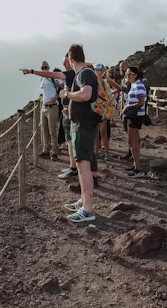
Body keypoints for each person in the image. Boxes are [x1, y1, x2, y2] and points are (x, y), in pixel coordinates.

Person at [60, 44, 99, 222]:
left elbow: (85, 94)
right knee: (83, 165)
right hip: (82, 123)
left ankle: (88, 209)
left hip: (83, 125)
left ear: (71, 59)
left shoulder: (84, 73)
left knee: (83, 167)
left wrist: (68, 95)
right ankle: (84, 200)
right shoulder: (85, 73)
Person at [120, 66, 147, 178]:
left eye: (128, 73)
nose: (127, 75)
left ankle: (138, 169)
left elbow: (141, 102)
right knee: (132, 141)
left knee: (133, 141)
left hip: (136, 116)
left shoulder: (139, 85)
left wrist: (127, 107)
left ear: (135, 74)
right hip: (133, 115)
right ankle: (136, 165)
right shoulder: (134, 85)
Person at [94, 63, 120, 160]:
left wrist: (109, 95)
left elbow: (119, 88)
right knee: (96, 131)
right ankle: (96, 151)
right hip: (96, 107)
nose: (97, 71)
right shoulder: (94, 81)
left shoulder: (107, 81)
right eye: (96, 69)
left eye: (99, 70)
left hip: (104, 107)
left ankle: (106, 153)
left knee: (102, 130)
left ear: (103, 71)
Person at [37, 61, 61, 160]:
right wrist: (41, 96)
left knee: (52, 131)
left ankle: (54, 152)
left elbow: (63, 89)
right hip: (44, 107)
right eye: (42, 68)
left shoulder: (53, 77)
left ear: (49, 67)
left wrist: (56, 98)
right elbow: (44, 91)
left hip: (53, 107)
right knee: (45, 130)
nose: (44, 69)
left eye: (46, 67)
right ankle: (46, 150)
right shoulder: (42, 78)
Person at [117, 60, 133, 160]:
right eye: (120, 67)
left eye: (123, 66)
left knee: (131, 131)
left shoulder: (130, 79)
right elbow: (123, 95)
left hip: (131, 107)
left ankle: (133, 151)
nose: (121, 69)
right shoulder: (123, 80)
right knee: (127, 130)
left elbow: (127, 90)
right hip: (125, 107)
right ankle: (130, 151)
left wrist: (114, 85)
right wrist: (121, 108)